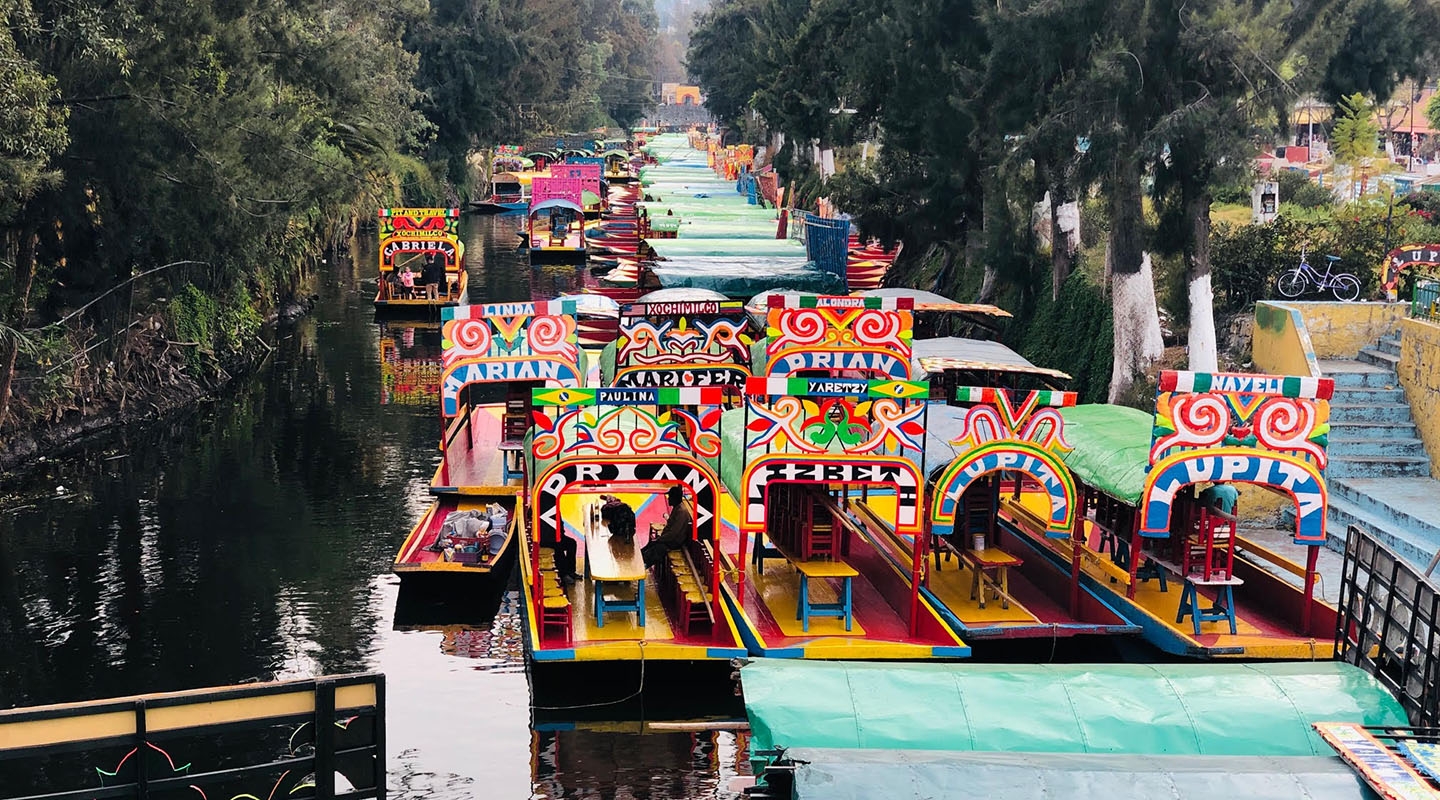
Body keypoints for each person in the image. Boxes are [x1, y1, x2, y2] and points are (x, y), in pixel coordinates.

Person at [642, 486, 692, 568]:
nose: (668, 499)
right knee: (649, 545)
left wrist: (660, 539)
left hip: (673, 542)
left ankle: (643, 565)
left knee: (656, 550)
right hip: (668, 539)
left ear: (674, 498)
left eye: (670, 497)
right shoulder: (677, 508)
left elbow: (673, 534)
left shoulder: (681, 512)